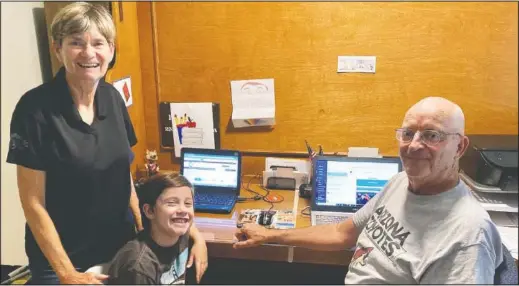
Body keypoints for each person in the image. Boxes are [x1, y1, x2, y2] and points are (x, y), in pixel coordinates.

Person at [6, 2, 207, 284]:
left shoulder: (112, 98)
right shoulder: (35, 109)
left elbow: (123, 173)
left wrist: (187, 232)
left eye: (98, 43)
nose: (89, 53)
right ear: (57, 49)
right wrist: (67, 273)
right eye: (76, 43)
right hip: (64, 260)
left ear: (111, 50)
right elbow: (33, 203)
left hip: (120, 247)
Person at [234, 97, 504, 284]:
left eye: (432, 135)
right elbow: (341, 233)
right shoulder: (400, 183)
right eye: (408, 133)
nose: (413, 146)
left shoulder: (468, 236)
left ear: (459, 147)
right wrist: (271, 235)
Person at [108, 172, 201, 284]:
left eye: (188, 203)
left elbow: (190, 224)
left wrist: (199, 241)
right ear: (150, 211)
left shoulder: (178, 232)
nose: (183, 210)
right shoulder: (139, 267)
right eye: (172, 203)